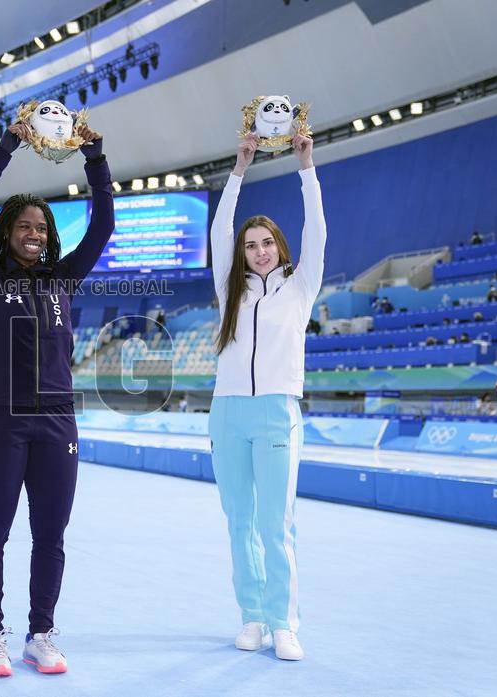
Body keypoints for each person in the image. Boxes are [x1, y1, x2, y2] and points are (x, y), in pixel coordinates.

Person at [0, 119, 113, 676]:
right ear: (7, 233)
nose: (35, 233)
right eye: (24, 225)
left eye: (42, 227)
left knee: (51, 534)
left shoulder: (62, 280)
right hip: (0, 422)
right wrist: (7, 148)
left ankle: (41, 633)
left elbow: (103, 227)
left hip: (56, 424)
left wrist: (94, 157)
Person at [208, 131, 325, 662]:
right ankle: (252, 616)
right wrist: (238, 169)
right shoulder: (229, 288)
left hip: (277, 412)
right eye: (250, 244)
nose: (258, 252)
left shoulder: (300, 287)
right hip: (228, 413)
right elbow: (219, 232)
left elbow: (316, 231)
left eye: (267, 243)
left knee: (275, 524)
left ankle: (284, 623)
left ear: (280, 246)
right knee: (239, 522)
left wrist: (306, 168)